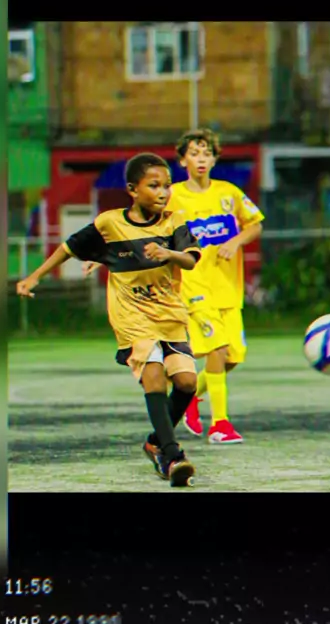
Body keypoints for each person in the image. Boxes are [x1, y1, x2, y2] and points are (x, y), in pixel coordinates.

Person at [16, 153, 202, 488]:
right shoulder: (109, 223)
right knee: (154, 377)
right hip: (132, 317)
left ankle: (155, 442)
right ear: (132, 189)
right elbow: (69, 248)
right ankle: (172, 455)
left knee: (187, 383)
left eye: (167, 186)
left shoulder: (175, 221)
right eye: (154, 185)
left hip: (169, 315)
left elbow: (190, 260)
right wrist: (34, 276)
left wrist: (168, 253)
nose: (163, 192)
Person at [167, 129, 264, 444]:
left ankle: (191, 395)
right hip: (194, 287)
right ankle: (220, 425)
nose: (201, 159)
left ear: (214, 160)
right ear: (183, 160)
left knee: (232, 358)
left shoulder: (229, 193)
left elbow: (255, 224)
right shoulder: (173, 196)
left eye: (207, 154)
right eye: (194, 153)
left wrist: (236, 242)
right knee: (217, 350)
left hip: (228, 288)